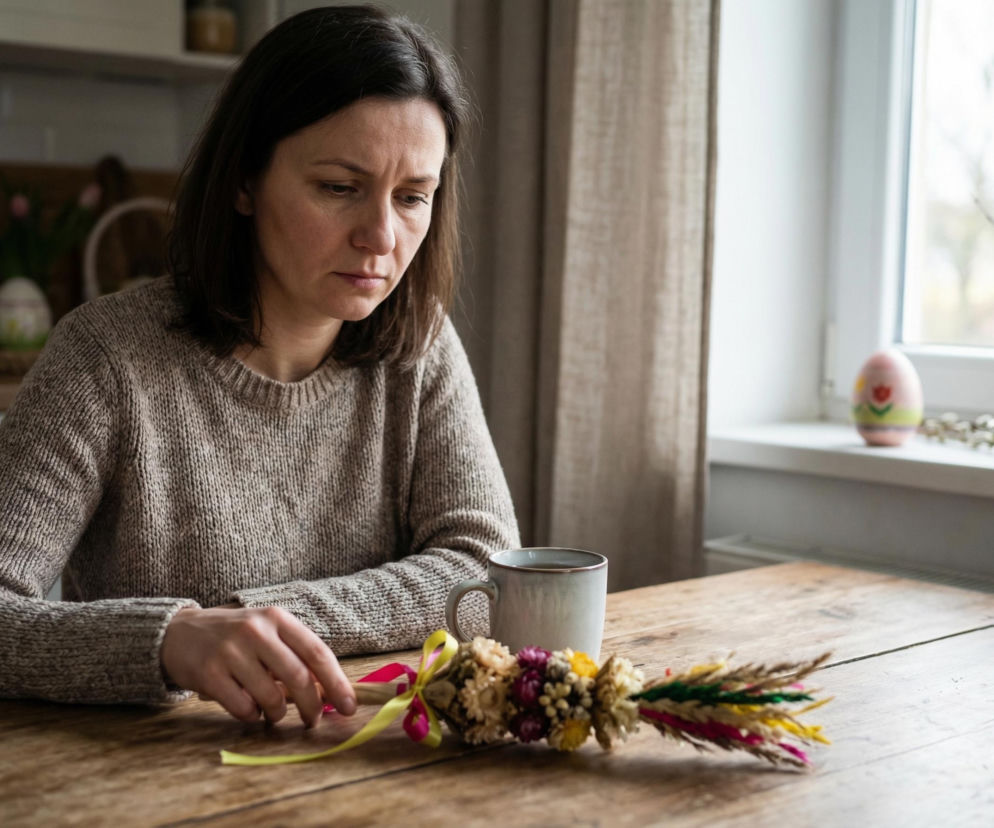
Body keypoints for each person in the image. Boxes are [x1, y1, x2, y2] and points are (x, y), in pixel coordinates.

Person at [0, 5, 519, 729]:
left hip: (369, 759)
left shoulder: (419, 345)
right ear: (245, 180)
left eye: (411, 198)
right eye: (339, 187)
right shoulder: (105, 357)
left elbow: (487, 571)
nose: (381, 236)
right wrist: (169, 640)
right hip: (154, 769)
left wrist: (270, 621)